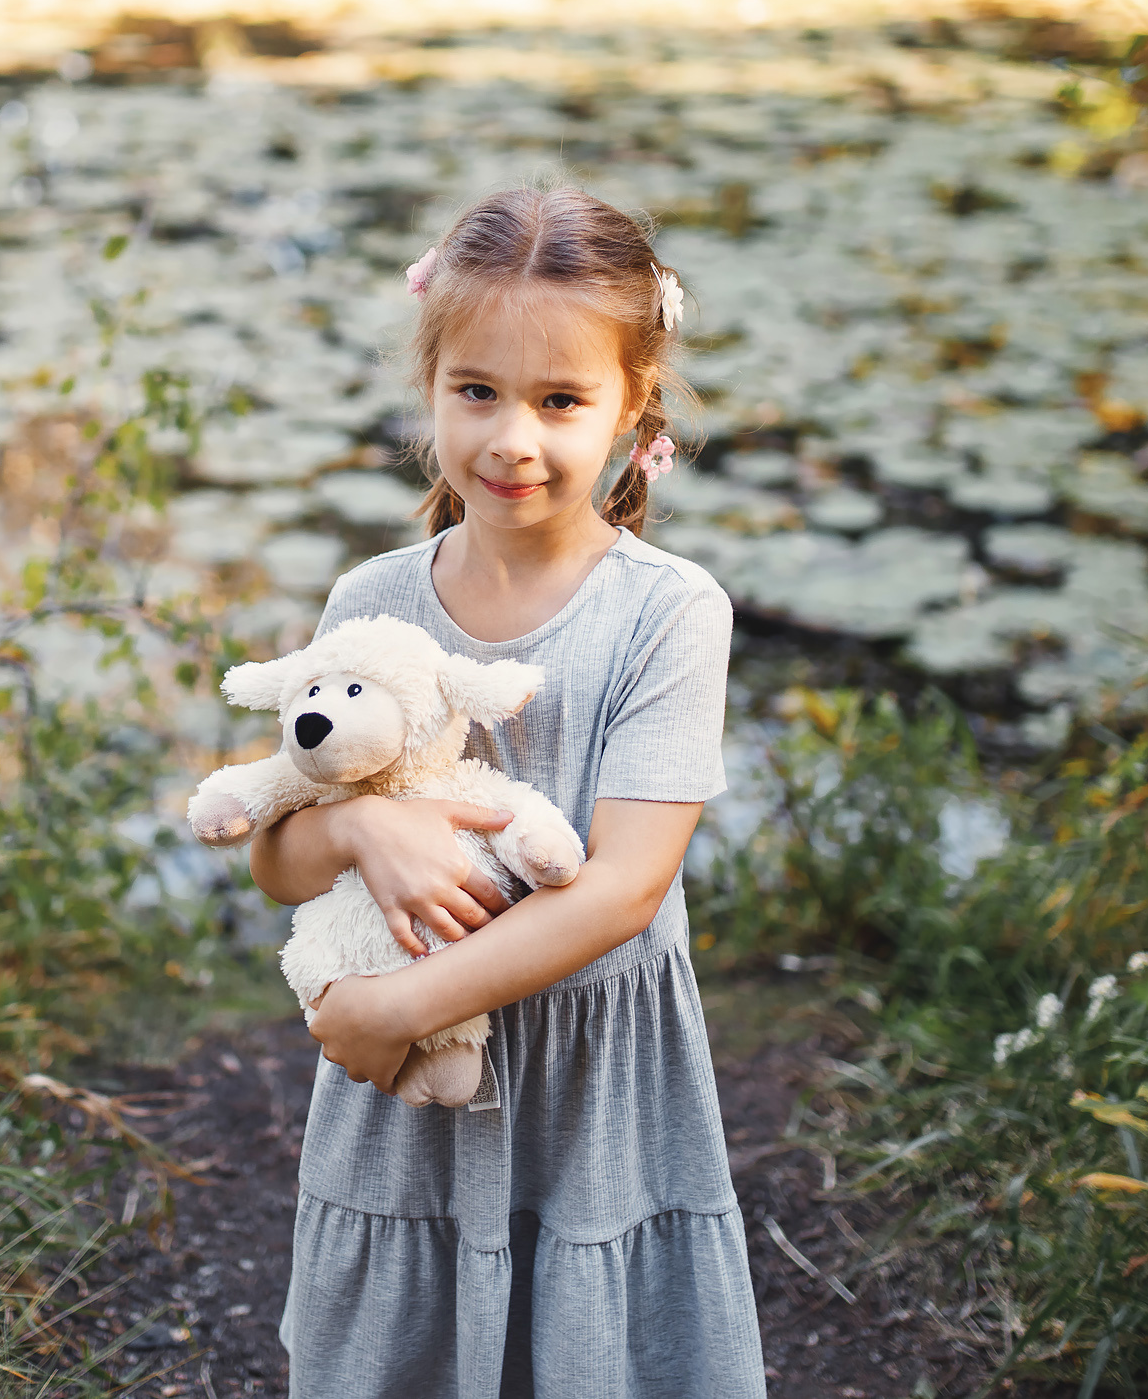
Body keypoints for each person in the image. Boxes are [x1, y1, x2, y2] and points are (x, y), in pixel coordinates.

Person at [246, 186, 772, 1398]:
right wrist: (360, 821)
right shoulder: (371, 604)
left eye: (560, 401)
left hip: (593, 1083)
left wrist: (394, 1007)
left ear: (632, 405)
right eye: (475, 391)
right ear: (429, 386)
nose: (511, 440)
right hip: (408, 1097)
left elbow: (623, 892)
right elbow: (277, 857)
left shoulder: (667, 614)